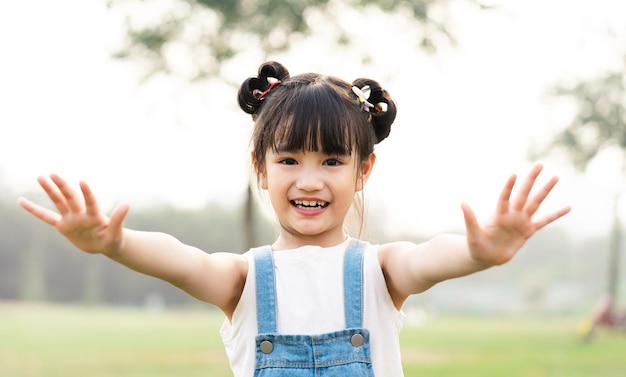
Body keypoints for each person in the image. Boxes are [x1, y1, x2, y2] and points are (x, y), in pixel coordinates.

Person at [17, 61, 571, 376]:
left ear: (363, 171)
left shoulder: (380, 270)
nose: (310, 180)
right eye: (289, 160)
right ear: (260, 168)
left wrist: (480, 251)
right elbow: (181, 260)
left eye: (332, 160)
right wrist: (114, 244)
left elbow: (428, 259)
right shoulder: (243, 280)